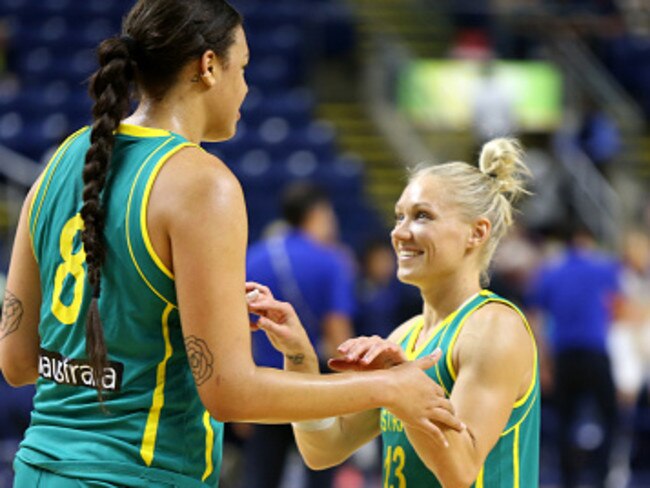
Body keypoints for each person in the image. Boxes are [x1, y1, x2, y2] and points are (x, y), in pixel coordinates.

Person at [0, 1, 463, 486]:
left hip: (37, 469)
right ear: (208, 67)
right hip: (134, 475)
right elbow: (229, 393)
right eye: (242, 68)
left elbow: (16, 361)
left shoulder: (61, 162)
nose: (245, 86)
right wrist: (385, 387)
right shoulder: (201, 182)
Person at [247, 137, 541, 487]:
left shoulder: (493, 327)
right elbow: (323, 449)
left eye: (421, 216)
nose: (399, 233)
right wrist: (299, 357)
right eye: (399, 216)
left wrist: (403, 389)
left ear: (476, 233)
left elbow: (461, 472)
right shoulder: (406, 336)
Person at [242, 181, 356, 488]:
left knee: (260, 476)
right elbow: (338, 339)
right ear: (317, 213)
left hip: (263, 383)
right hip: (312, 383)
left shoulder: (254, 256)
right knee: (319, 470)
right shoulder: (331, 261)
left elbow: (239, 328)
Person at [528, 225, 621, 488]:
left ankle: (568, 478)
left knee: (563, 420)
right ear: (587, 240)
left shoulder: (550, 272)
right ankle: (601, 475)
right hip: (595, 351)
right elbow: (621, 302)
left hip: (563, 355)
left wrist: (544, 360)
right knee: (609, 416)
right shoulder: (603, 268)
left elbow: (534, 316)